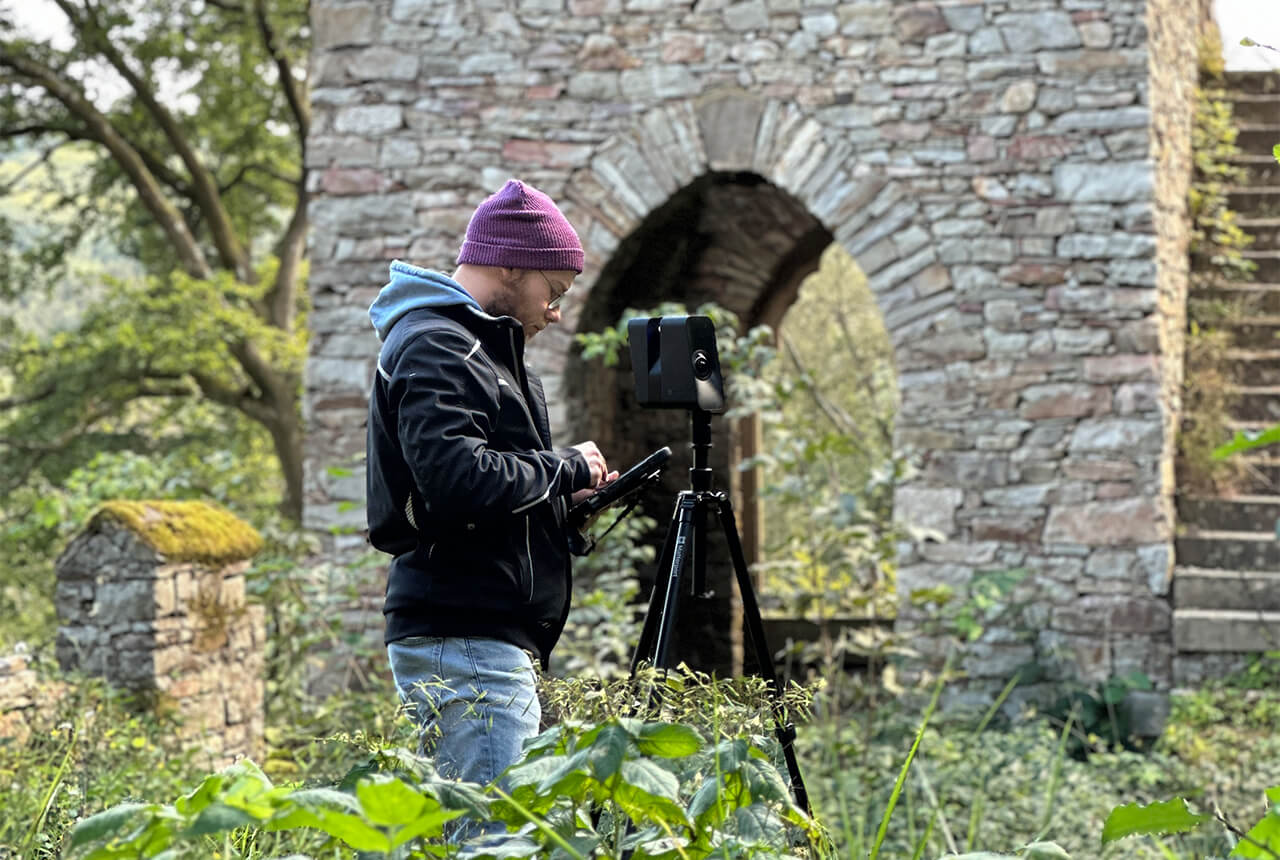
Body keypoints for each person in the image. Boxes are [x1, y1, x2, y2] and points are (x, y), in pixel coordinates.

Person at [364, 179, 617, 795]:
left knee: (485, 831)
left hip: (486, 636)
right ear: (509, 263)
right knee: (490, 839)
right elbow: (458, 481)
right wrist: (566, 469)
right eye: (552, 291)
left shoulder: (486, 351)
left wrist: (562, 504)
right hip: (466, 638)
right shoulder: (438, 345)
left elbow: (485, 494)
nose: (556, 311)